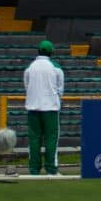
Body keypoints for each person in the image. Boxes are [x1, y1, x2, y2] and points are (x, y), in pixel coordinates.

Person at [23, 39, 65, 176]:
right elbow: (60, 90)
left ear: (38, 51)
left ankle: (34, 170)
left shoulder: (30, 68)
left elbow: (27, 87)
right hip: (50, 109)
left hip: (33, 109)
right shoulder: (56, 68)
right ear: (51, 52)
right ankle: (51, 169)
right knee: (51, 139)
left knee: (34, 139)